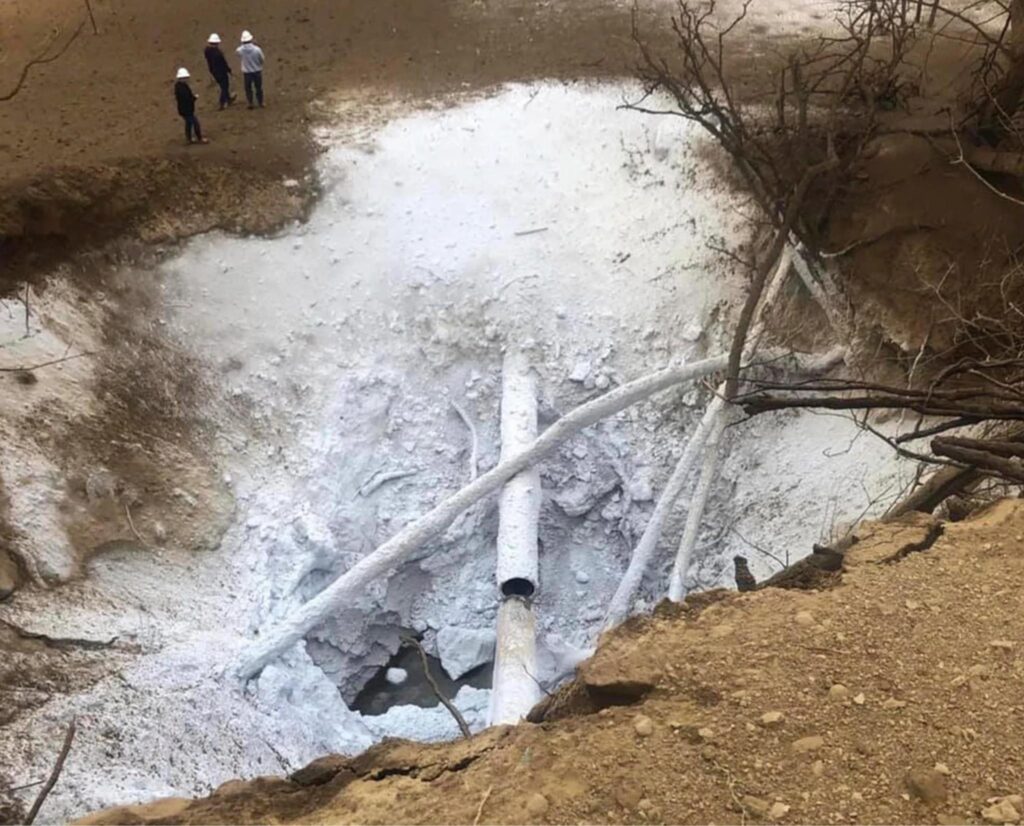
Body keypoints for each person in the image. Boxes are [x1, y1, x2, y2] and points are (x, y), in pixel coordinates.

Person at [173, 68, 207, 145]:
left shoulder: (179, 86)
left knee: (188, 123)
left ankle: (189, 138)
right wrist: (194, 98)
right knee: (195, 123)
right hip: (187, 110)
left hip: (184, 110)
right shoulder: (182, 88)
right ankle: (199, 138)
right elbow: (187, 98)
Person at [204, 33, 236, 110]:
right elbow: (223, 63)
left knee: (223, 86)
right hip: (221, 72)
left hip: (213, 72)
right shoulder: (218, 53)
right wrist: (229, 70)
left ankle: (228, 99)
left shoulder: (207, 51)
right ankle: (222, 103)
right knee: (224, 87)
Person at [236, 30, 265, 109]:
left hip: (247, 72)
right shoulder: (257, 50)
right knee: (258, 87)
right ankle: (260, 102)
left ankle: (250, 103)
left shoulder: (241, 50)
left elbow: (237, 52)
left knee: (248, 88)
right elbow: (262, 59)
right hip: (257, 71)